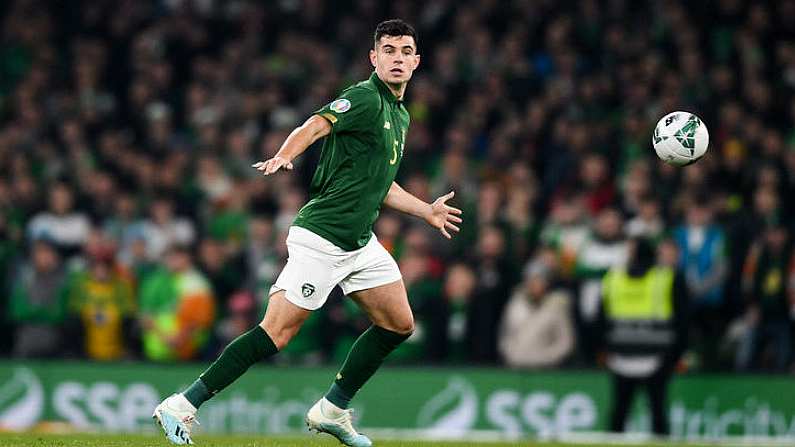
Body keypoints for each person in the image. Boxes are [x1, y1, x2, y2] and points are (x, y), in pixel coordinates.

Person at [153, 20, 462, 447]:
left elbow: (381, 183)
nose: (397, 58)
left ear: (416, 62)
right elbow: (317, 124)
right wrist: (284, 154)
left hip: (358, 242)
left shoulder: (400, 113)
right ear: (374, 58)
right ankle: (181, 405)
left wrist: (425, 210)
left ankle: (332, 410)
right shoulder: (364, 97)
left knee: (398, 324)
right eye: (388, 50)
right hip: (323, 237)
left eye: (405, 51)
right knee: (275, 333)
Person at [599, 238, 688, 436]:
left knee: (620, 413)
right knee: (656, 412)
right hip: (656, 356)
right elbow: (683, 321)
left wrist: (604, 350)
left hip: (623, 355)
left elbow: (601, 319)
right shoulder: (668, 277)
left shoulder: (613, 278)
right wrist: (676, 355)